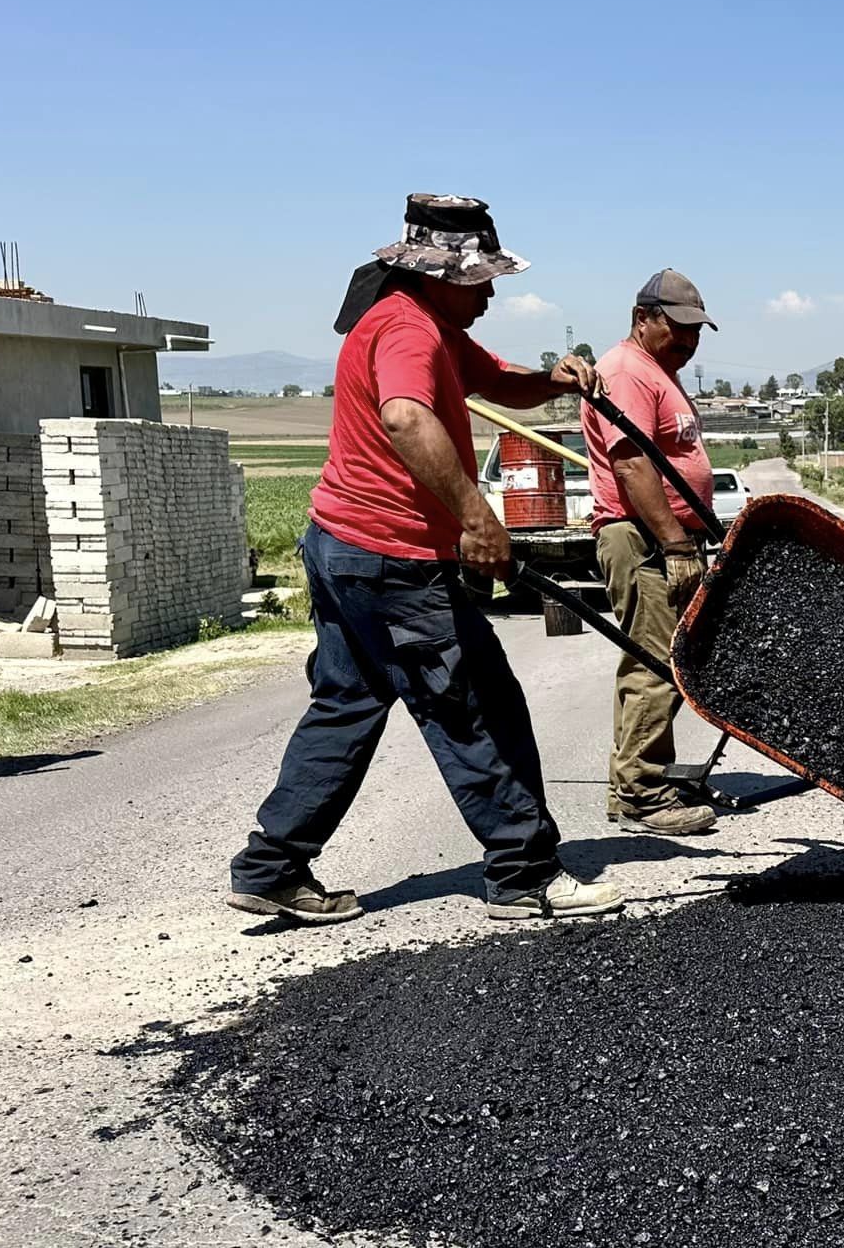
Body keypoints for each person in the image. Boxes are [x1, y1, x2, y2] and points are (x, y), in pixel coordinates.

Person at [229, 194, 627, 924]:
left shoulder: (431, 324)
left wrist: (555, 380)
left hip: (341, 544)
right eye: (481, 280)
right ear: (439, 273)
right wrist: (477, 518)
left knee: (348, 702)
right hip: (390, 558)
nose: (492, 293)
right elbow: (406, 417)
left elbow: (498, 382)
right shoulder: (409, 329)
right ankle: (524, 873)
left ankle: (271, 865)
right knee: (476, 707)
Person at [582, 270, 720, 837]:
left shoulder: (657, 370)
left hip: (661, 538)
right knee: (656, 665)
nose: (689, 343)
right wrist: (676, 543)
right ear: (644, 318)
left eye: (696, 333)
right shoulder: (627, 372)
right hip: (641, 539)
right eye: (679, 330)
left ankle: (634, 782)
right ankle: (642, 793)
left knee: (657, 661)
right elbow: (633, 463)